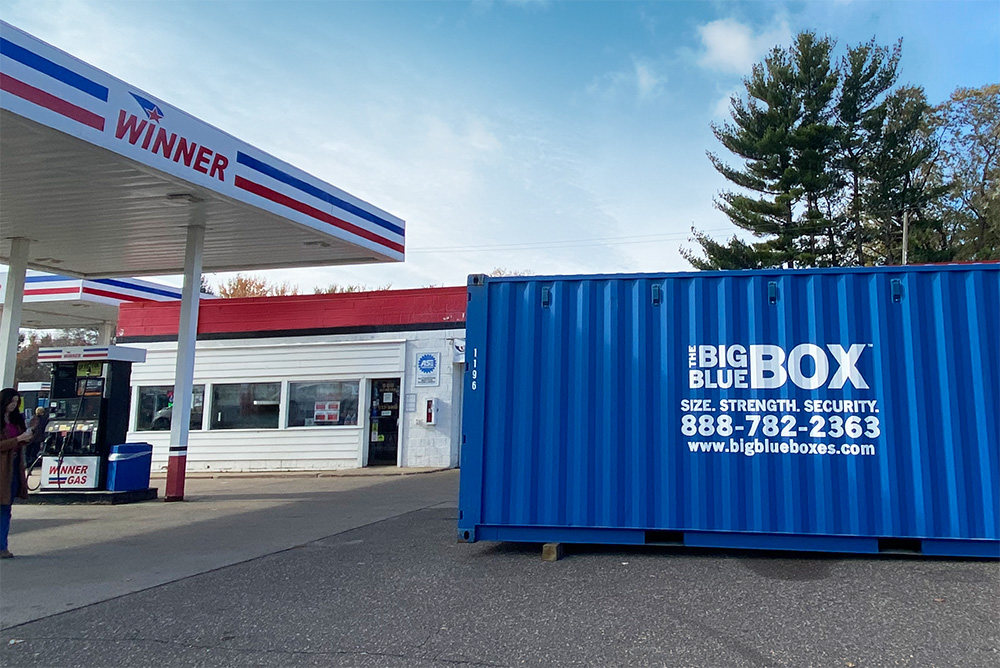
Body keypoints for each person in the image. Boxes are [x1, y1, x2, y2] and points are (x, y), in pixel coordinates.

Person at [1, 387, 33, 559]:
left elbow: (21, 441)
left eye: (16, 402)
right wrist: (16, 440)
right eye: (10, 401)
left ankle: (2, 546)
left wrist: (28, 436)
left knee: (6, 507)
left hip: (13, 468)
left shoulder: (15, 421)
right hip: (1, 469)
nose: (13, 405)